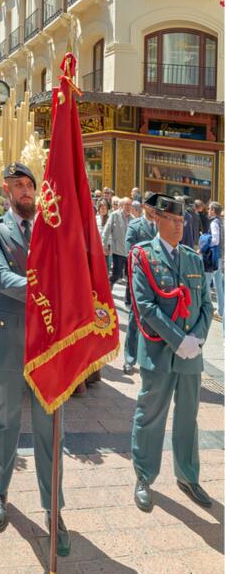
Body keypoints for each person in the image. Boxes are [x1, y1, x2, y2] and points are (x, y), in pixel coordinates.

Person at [0, 162, 70, 555]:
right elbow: (0, 278)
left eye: (31, 184)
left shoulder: (53, 232)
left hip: (48, 344)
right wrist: (44, 288)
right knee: (5, 423)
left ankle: (53, 510)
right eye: (19, 185)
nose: (26, 191)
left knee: (51, 431)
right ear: (7, 190)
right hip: (10, 340)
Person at [130, 193, 213, 512]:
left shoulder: (192, 258)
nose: (180, 226)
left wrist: (198, 339)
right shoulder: (144, 256)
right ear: (158, 220)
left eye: (182, 221)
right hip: (159, 352)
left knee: (188, 417)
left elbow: (206, 305)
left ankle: (188, 476)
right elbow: (146, 307)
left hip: (191, 355)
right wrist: (179, 339)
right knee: (150, 416)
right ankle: (144, 476)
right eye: (174, 220)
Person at [123, 191, 157, 375]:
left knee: (155, 319)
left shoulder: (161, 225)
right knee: (134, 319)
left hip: (159, 281)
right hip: (141, 279)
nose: (154, 210)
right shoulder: (135, 226)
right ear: (144, 206)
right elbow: (130, 252)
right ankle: (129, 358)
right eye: (151, 206)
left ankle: (149, 358)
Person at [102, 197, 132, 292]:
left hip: (129, 252)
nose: (128, 207)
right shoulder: (115, 215)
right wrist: (104, 245)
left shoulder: (133, 218)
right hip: (117, 250)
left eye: (130, 205)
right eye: (126, 205)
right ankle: (107, 288)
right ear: (121, 205)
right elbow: (106, 231)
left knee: (129, 277)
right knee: (117, 274)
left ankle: (128, 301)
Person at [208, 202, 224, 322]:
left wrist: (205, 245)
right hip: (220, 257)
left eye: (209, 209)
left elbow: (215, 239)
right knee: (218, 285)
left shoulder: (214, 223)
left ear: (213, 210)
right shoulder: (221, 222)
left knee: (206, 282)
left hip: (213, 257)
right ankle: (220, 310)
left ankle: (208, 310)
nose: (208, 210)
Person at [95, 197, 111, 276]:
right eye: (101, 208)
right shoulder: (95, 218)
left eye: (105, 208)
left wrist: (107, 246)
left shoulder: (110, 219)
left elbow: (111, 235)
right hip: (96, 246)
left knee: (105, 266)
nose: (103, 210)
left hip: (106, 246)